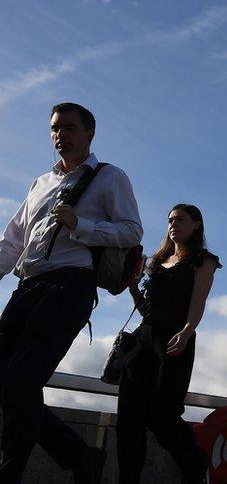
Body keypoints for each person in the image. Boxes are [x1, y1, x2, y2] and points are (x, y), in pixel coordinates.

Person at [0, 102, 142, 482]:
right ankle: (80, 455)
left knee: (20, 381)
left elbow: (132, 231)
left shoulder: (110, 177)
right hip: (27, 285)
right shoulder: (39, 184)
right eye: (54, 128)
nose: (60, 135)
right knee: (7, 382)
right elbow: (12, 243)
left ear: (89, 133)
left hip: (70, 285)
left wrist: (82, 225)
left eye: (70, 128)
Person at [118, 204, 218, 482]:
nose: (173, 224)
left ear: (196, 224)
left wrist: (187, 331)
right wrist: (133, 289)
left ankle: (196, 464)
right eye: (170, 220)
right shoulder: (157, 261)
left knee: (163, 416)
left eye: (180, 219)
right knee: (129, 418)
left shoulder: (203, 260)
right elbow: (146, 311)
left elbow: (198, 302)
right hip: (142, 339)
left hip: (175, 338)